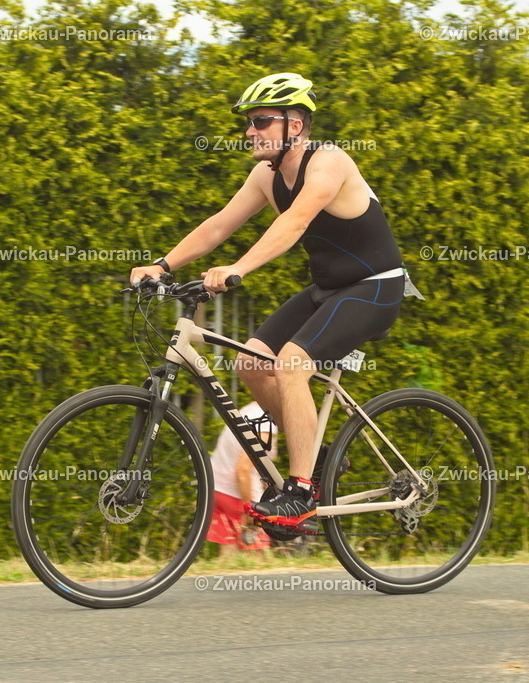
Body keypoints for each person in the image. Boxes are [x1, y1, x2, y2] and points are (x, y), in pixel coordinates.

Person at [129, 72, 407, 534]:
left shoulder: (330, 162)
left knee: (292, 363)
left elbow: (295, 223)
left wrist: (238, 268)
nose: (249, 132)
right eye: (249, 123)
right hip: (328, 289)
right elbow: (219, 225)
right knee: (253, 361)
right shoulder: (266, 175)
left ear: (294, 126)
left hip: (376, 287)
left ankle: (299, 493)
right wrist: (162, 265)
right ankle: (315, 461)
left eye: (260, 122)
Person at [206, 403, 276, 555]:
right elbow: (242, 470)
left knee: (229, 558)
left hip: (216, 489)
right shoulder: (264, 423)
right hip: (239, 494)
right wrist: (250, 509)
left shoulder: (247, 411)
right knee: (258, 561)